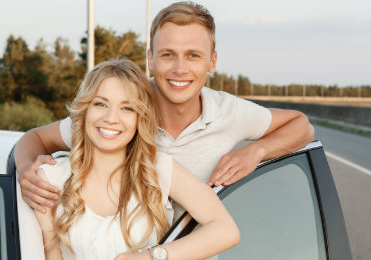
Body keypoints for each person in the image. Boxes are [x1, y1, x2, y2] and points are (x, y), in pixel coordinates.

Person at [15, 1, 314, 219]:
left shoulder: (228, 112)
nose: (179, 69)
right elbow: (34, 139)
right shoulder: (120, 108)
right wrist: (27, 169)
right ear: (151, 59)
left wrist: (255, 152)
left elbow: (302, 126)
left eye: (193, 56)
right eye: (168, 55)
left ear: (212, 62)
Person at [33, 58, 239, 260]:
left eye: (127, 108)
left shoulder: (158, 169)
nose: (111, 118)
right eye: (100, 104)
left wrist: (152, 257)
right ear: (85, 110)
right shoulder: (52, 177)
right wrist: (49, 239)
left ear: (140, 118)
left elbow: (225, 230)